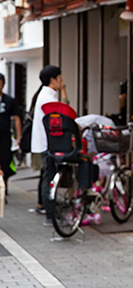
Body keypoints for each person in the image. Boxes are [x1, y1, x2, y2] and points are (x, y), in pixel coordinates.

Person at [30, 65, 69, 226]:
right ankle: (50, 216)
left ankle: (48, 212)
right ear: (53, 80)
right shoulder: (47, 98)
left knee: (47, 179)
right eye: (60, 78)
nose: (62, 81)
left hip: (43, 144)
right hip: (46, 145)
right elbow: (64, 115)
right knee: (49, 180)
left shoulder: (45, 94)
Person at [0, 73, 22, 197]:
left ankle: (4, 186)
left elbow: (16, 119)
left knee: (5, 162)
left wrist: (19, 137)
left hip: (5, 136)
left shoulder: (10, 101)